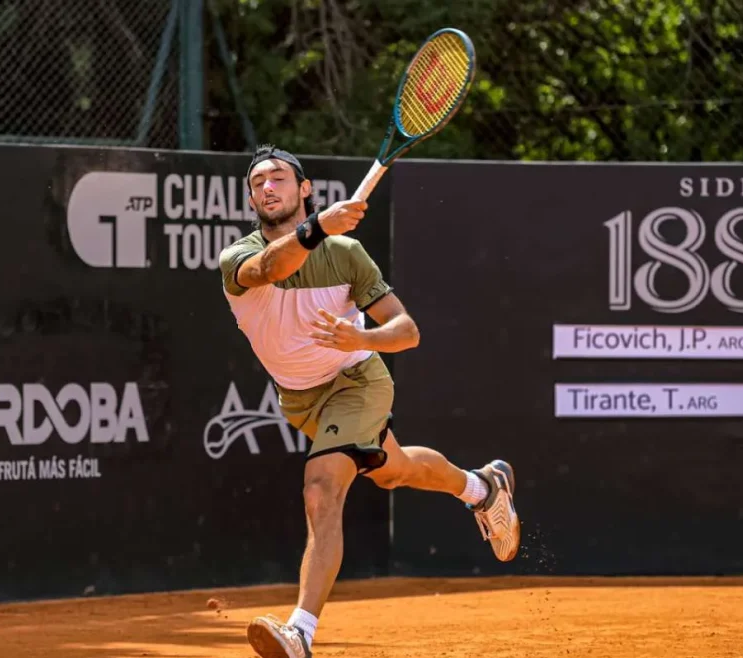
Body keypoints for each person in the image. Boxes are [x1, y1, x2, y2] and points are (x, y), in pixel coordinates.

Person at [218, 145, 520, 658]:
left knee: (322, 488)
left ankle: (300, 633)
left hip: (356, 380)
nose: (267, 187)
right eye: (258, 182)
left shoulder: (346, 254)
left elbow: (407, 331)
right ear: (250, 199)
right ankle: (481, 487)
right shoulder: (237, 258)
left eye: (279, 177)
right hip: (301, 399)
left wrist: (363, 338)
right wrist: (317, 227)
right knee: (394, 470)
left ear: (304, 189)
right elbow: (271, 268)